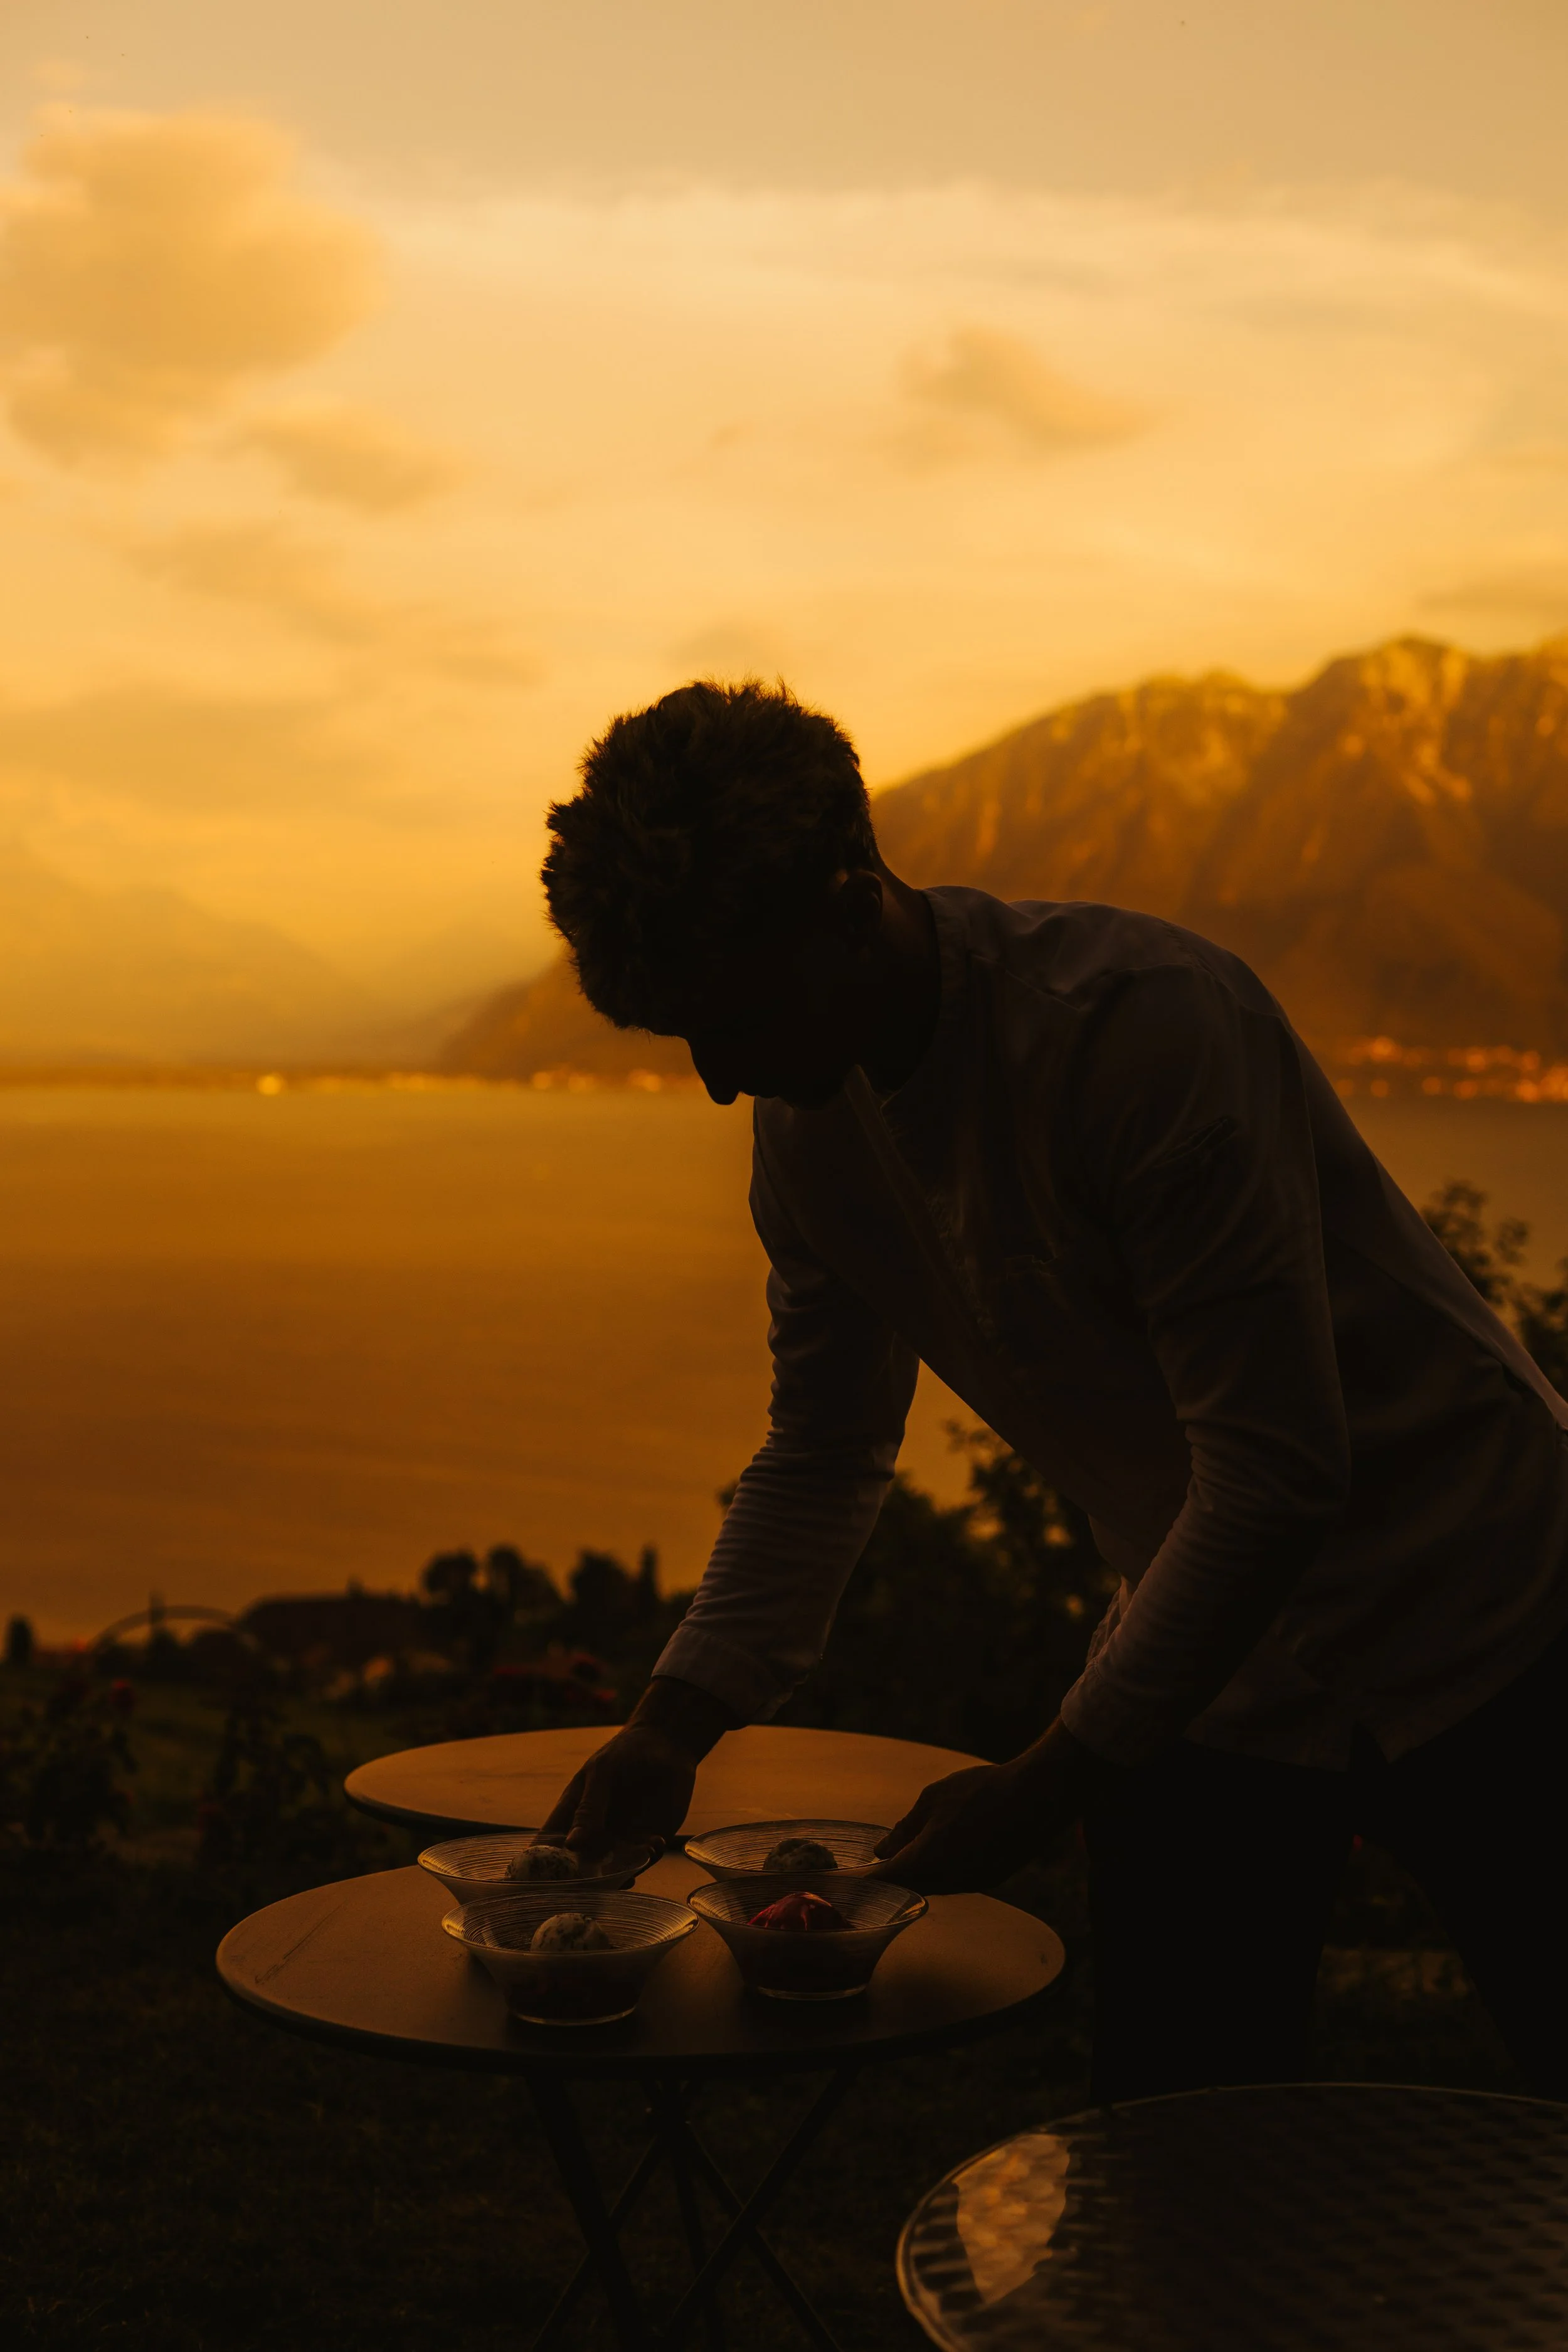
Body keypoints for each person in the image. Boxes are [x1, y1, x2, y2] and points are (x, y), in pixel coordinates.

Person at [538, 678, 1568, 2100]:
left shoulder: (1140, 1032)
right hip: (1210, 1671)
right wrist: (672, 1722)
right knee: (1182, 2141)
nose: (717, 1083)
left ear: (851, 902)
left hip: (1494, 1611)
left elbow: (1275, 1476)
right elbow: (824, 1448)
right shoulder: (809, 1140)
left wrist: (1047, 1777)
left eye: (732, 1019)